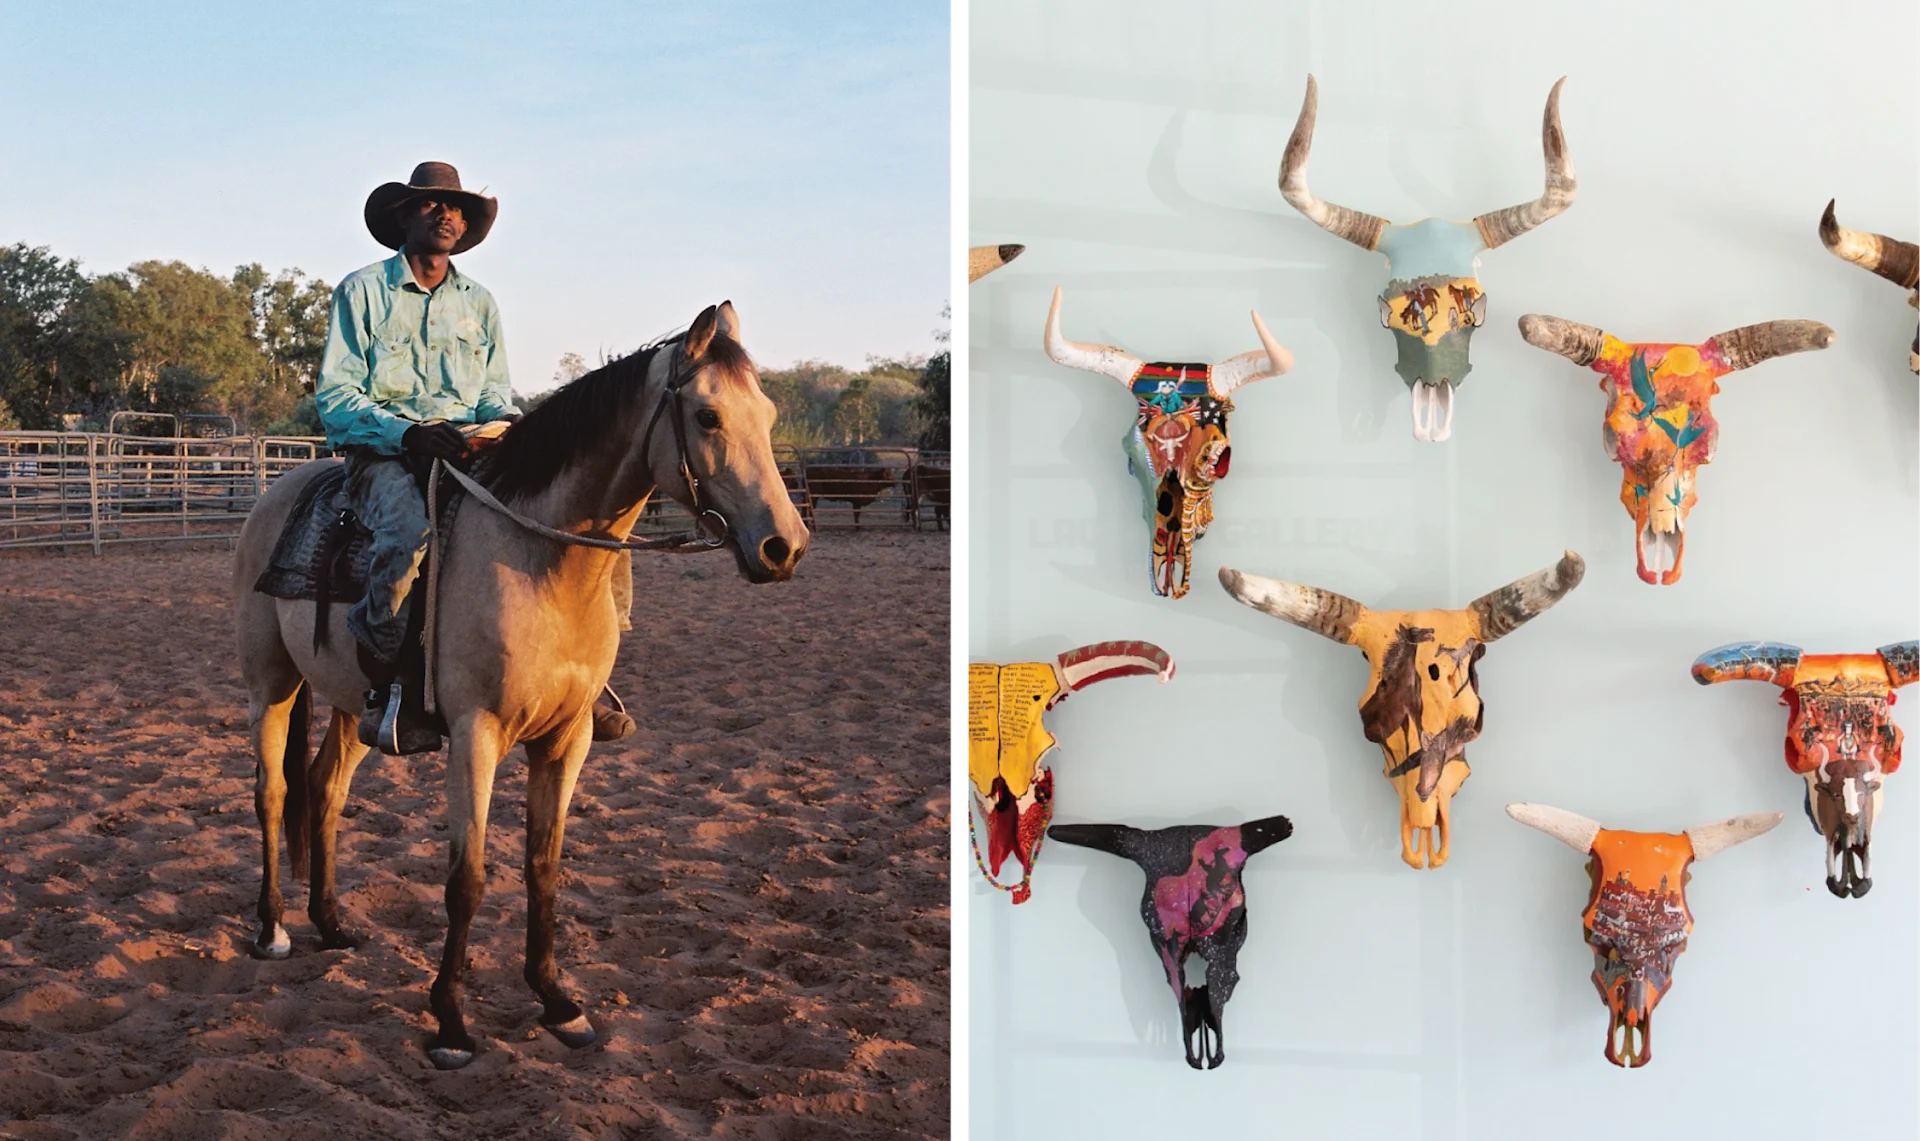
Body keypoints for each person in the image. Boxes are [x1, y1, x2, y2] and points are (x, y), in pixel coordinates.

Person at [315, 161, 635, 752]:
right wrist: (408, 434)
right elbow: (337, 396)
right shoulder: (362, 291)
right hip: (384, 452)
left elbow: (493, 389)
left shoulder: (479, 303)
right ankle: (388, 681)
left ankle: (588, 682)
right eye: (432, 205)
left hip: (470, 444)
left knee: (586, 521)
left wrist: (507, 427)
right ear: (403, 217)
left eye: (457, 208)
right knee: (408, 534)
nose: (447, 215)